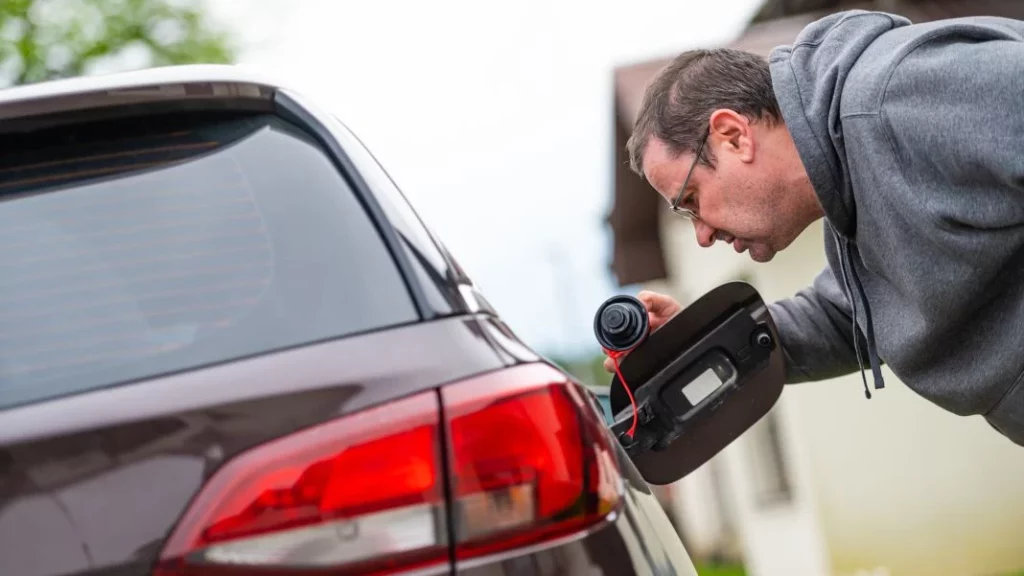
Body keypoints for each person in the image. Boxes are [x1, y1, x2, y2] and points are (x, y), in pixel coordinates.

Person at [604, 9, 1024, 445]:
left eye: (691, 200)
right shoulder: (851, 204)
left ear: (733, 136)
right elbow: (849, 315)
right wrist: (697, 338)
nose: (703, 235)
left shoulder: (899, 99)